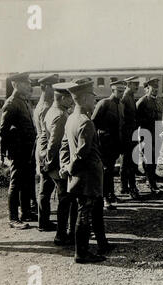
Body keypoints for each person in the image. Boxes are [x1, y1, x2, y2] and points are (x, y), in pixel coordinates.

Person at [59, 78, 111, 263]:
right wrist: (70, 169)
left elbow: (64, 146)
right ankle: (81, 253)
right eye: (92, 96)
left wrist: (65, 166)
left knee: (94, 209)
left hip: (82, 175)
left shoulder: (72, 118)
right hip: (88, 176)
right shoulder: (85, 122)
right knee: (85, 212)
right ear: (83, 97)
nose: (94, 99)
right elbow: (81, 154)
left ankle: (102, 244)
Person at [39, 82, 78, 245]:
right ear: (62, 98)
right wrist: (50, 163)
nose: (72, 101)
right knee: (66, 199)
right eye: (69, 97)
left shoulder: (51, 111)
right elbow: (55, 144)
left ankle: (56, 229)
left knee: (55, 196)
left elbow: (44, 136)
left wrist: (43, 160)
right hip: (57, 165)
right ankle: (62, 235)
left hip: (50, 164)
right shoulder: (62, 116)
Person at [0, 72, 36, 229]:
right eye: (26, 83)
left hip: (27, 149)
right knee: (15, 183)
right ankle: (13, 217)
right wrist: (3, 151)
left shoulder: (23, 102)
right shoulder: (12, 103)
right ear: (16, 85)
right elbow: (3, 130)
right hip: (18, 150)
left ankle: (25, 212)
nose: (29, 86)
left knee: (27, 181)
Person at [92, 80, 124, 208]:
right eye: (119, 91)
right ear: (113, 90)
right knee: (105, 171)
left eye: (123, 91)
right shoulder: (104, 103)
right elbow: (93, 122)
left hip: (115, 144)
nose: (121, 94)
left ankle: (111, 194)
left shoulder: (121, 105)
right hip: (104, 144)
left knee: (110, 170)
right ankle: (105, 198)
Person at [35, 74, 59, 231]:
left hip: (43, 148)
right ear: (46, 87)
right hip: (46, 150)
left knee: (46, 186)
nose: (55, 88)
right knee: (46, 187)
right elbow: (48, 134)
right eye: (53, 85)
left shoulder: (43, 104)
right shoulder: (46, 107)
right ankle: (43, 222)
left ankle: (43, 221)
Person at [136, 77, 162, 192]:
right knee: (148, 159)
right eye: (153, 87)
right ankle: (151, 184)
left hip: (157, 134)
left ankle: (152, 180)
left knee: (155, 158)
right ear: (147, 88)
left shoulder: (158, 101)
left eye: (157, 87)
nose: (155, 89)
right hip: (146, 135)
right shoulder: (142, 101)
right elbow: (136, 119)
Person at [120, 76, 140, 199]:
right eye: (134, 84)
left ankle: (127, 187)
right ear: (128, 84)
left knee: (130, 161)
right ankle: (126, 187)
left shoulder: (131, 96)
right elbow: (122, 117)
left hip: (131, 133)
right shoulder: (125, 97)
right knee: (127, 161)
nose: (137, 86)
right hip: (127, 134)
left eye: (138, 83)